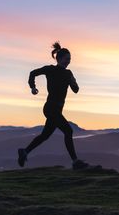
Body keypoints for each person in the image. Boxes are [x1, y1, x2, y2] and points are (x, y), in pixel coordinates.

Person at [18, 42, 90, 170]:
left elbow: (76, 89)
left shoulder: (68, 74)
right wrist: (33, 87)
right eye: (67, 59)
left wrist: (73, 82)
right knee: (68, 130)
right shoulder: (50, 69)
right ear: (59, 59)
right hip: (50, 108)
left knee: (45, 136)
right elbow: (32, 73)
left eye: (70, 60)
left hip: (56, 110)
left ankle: (24, 151)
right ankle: (75, 162)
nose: (68, 62)